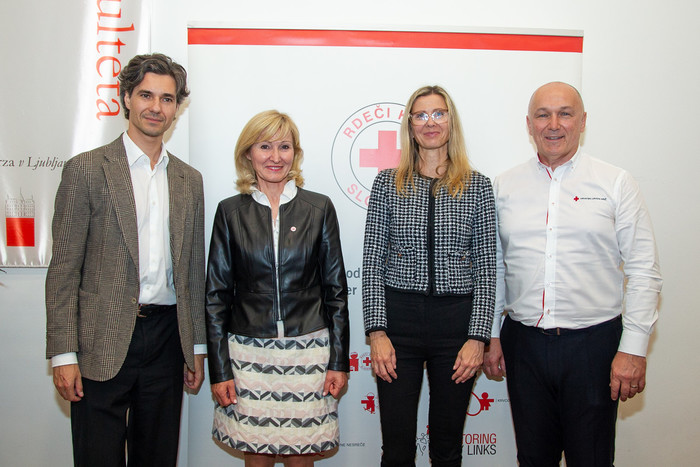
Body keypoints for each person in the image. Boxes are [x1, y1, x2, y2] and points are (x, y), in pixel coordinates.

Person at [483, 81, 662, 467]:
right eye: (543, 115)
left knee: (592, 458)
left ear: (582, 121)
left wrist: (633, 348)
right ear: (528, 124)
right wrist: (492, 334)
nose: (554, 124)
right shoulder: (503, 186)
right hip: (524, 345)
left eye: (565, 114)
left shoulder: (615, 182)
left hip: (593, 347)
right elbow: (494, 266)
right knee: (533, 458)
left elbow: (643, 270)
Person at [45, 53, 206, 466]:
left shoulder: (189, 180)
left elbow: (192, 272)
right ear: (126, 98)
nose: (156, 107)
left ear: (177, 107)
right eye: (146, 95)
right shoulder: (86, 170)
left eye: (167, 99)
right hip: (100, 341)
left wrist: (195, 346)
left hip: (167, 341)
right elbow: (64, 271)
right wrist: (63, 354)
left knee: (157, 457)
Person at [205, 110, 349, 467]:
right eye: (264, 146)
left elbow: (335, 292)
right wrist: (220, 371)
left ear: (295, 154)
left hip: (309, 353)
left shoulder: (319, 208)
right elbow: (216, 297)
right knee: (256, 458)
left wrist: (338, 361)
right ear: (248, 153)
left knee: (302, 458)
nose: (275, 156)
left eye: (284, 147)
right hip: (248, 355)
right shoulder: (229, 212)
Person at [362, 85, 496, 467]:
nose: (430, 123)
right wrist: (377, 333)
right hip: (398, 326)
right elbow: (372, 263)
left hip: (456, 327)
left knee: (447, 446)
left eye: (438, 113)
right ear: (410, 125)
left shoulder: (478, 186)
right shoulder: (387, 184)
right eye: (420, 115)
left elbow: (487, 268)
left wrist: (477, 338)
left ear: (451, 121)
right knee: (397, 448)